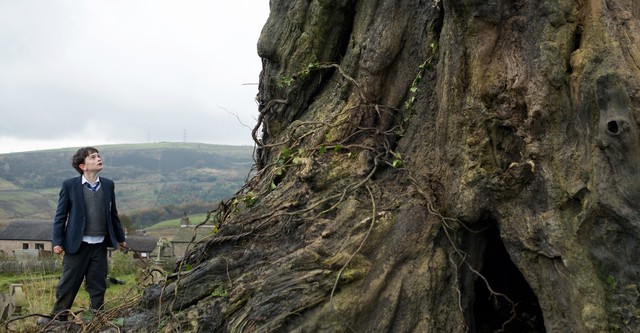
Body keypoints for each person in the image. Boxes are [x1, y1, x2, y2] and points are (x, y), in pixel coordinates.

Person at [43, 147, 127, 323]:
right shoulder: (69, 185)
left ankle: (97, 318)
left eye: (98, 156)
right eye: (93, 157)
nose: (98, 159)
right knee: (68, 283)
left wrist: (120, 238)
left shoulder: (108, 184)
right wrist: (57, 241)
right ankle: (58, 318)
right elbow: (60, 216)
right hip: (76, 245)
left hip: (100, 244)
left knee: (97, 283)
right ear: (83, 166)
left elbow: (113, 214)